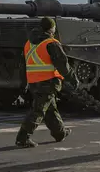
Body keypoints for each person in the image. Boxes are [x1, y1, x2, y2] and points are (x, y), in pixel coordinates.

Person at [15, 17, 78, 148]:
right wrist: (73, 79)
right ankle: (23, 137)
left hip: (34, 82)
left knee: (50, 108)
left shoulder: (29, 43)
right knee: (38, 111)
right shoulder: (51, 43)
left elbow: (23, 65)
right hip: (47, 81)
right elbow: (62, 64)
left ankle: (59, 133)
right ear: (51, 29)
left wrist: (23, 83)